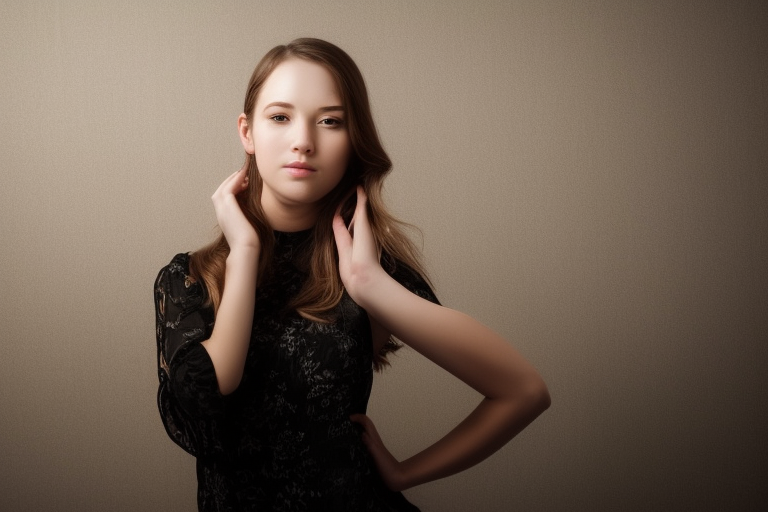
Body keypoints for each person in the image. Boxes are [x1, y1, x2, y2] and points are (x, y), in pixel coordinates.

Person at [154, 37, 550, 511]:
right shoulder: (187, 279)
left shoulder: (370, 273)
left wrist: (367, 284)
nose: (304, 139)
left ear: (352, 139)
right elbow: (210, 395)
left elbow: (523, 391)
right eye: (280, 117)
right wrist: (245, 250)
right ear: (247, 132)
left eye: (330, 121)